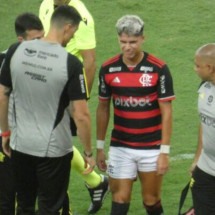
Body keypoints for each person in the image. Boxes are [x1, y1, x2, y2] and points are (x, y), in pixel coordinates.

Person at [0, 5, 95, 215]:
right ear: (67, 28)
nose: (72, 39)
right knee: (50, 208)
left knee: (24, 205)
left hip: (20, 145)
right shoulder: (70, 63)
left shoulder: (15, 51)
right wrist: (88, 152)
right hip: (53, 151)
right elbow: (81, 115)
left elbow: (3, 95)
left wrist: (5, 132)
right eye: (74, 33)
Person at [96, 15, 175, 215]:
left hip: (151, 147)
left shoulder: (158, 69)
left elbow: (167, 112)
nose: (127, 47)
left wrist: (164, 151)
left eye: (132, 42)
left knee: (151, 201)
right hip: (121, 146)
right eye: (123, 42)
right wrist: (99, 147)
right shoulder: (108, 69)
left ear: (142, 39)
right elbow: (103, 108)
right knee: (120, 199)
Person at [39, 1, 109, 214]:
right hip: (46, 83)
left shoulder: (81, 16)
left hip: (67, 88)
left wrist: (81, 99)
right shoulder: (45, 4)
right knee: (53, 141)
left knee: (51, 145)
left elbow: (89, 62)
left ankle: (65, 202)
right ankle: (96, 182)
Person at [0, 12, 44, 215]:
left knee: (45, 190)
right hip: (12, 138)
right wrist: (5, 133)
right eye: (36, 39)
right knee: (9, 195)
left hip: (37, 137)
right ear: (21, 39)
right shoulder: (6, 61)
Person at [190, 43, 215, 215]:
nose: (195, 69)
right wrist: (197, 158)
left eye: (198, 66)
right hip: (206, 167)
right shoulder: (204, 87)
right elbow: (204, 122)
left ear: (210, 67)